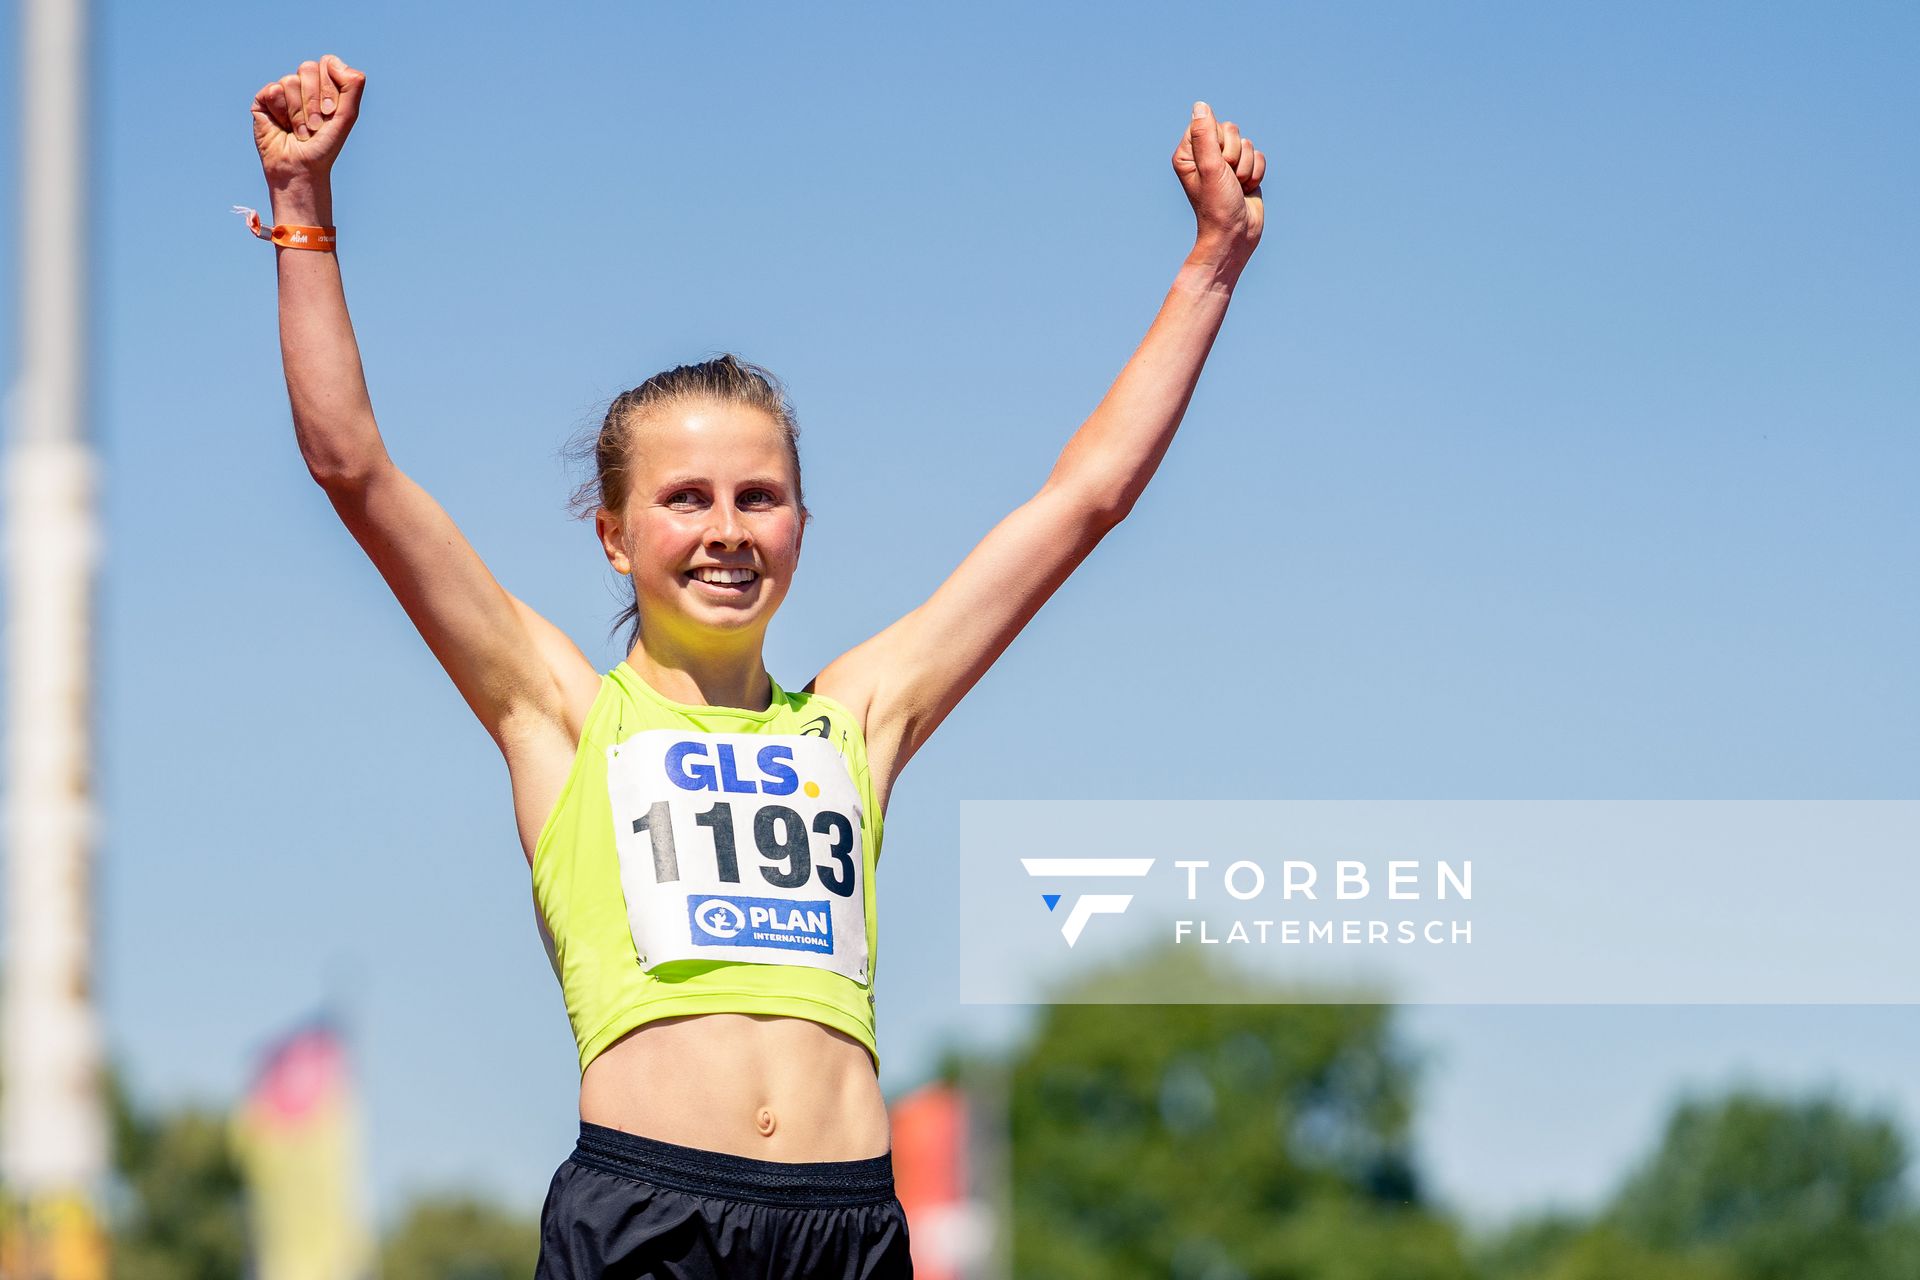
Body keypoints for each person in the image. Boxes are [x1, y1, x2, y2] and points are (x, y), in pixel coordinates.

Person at [248, 52, 1266, 1279]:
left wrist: (1212, 263)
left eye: (760, 496)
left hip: (849, 1225)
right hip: (651, 1217)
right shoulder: (562, 709)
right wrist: (302, 206)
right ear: (615, 536)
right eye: (685, 499)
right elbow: (354, 468)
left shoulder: (855, 717)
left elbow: (1083, 501)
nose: (727, 527)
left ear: (800, 524)